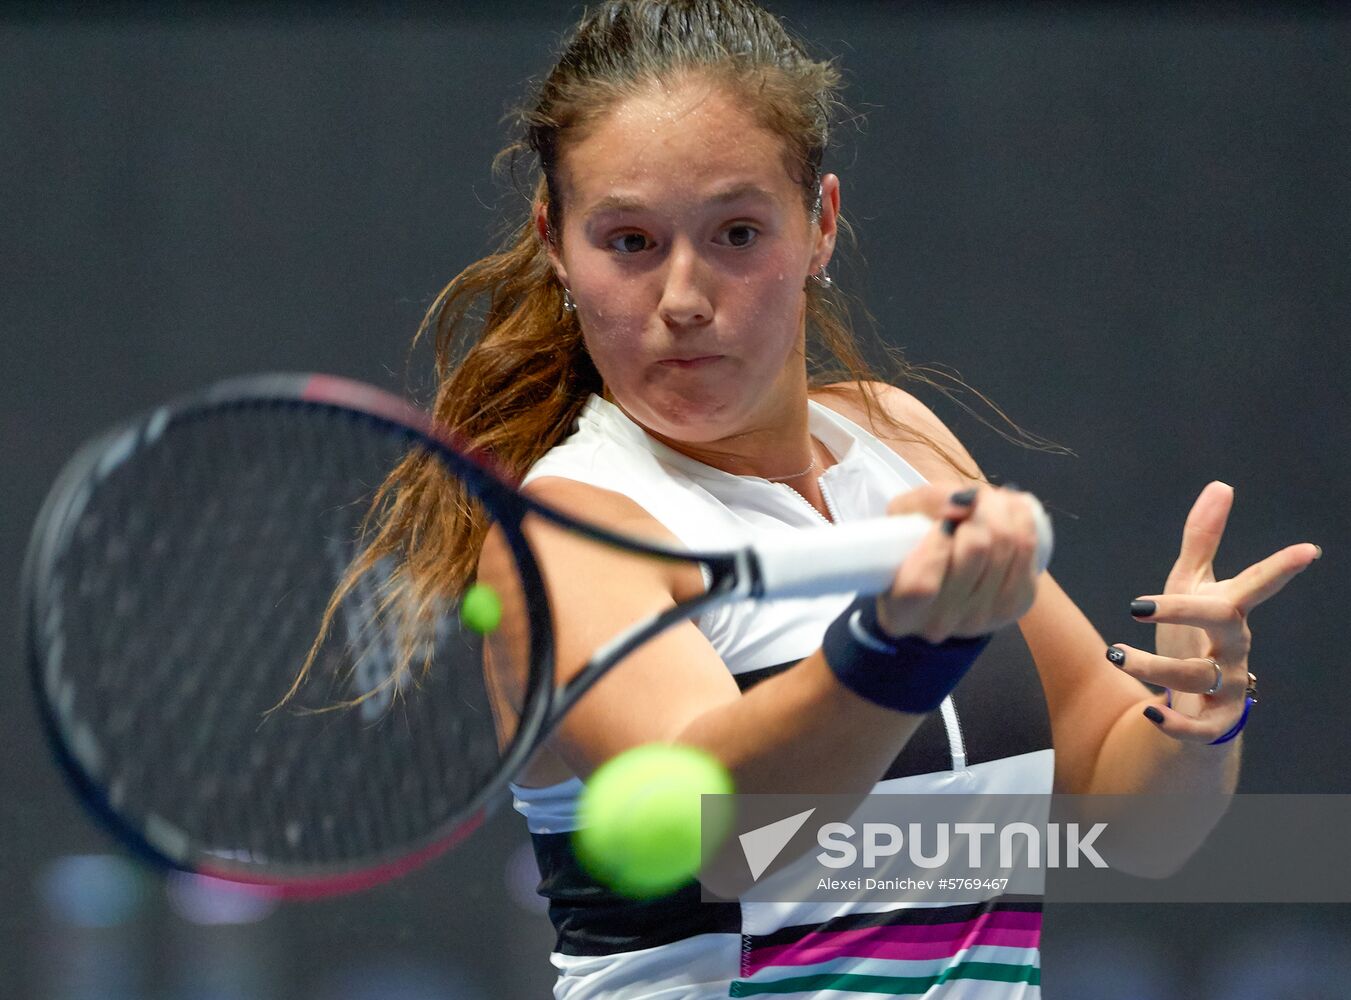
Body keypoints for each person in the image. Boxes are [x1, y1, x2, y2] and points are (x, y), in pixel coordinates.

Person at [345, 2, 1319, 995]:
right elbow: (723, 840)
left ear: (819, 225)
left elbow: (1137, 823)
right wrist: (902, 639)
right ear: (556, 243)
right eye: (629, 241)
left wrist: (1203, 708)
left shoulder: (900, 439)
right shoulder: (571, 534)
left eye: (735, 232)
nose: (682, 295)